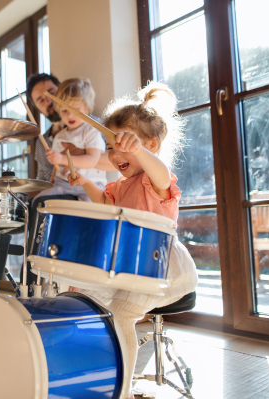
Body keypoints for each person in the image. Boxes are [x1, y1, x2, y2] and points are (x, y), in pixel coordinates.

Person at [67, 81, 198, 398]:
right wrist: (84, 181)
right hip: (132, 266)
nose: (113, 154)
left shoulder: (156, 180)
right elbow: (104, 203)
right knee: (80, 294)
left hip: (165, 270)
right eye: (109, 146)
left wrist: (137, 150)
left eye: (121, 144)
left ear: (151, 145)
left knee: (123, 313)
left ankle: (122, 390)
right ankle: (98, 370)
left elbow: (161, 172)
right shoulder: (120, 186)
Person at [34, 77, 107, 203]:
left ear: (87, 108)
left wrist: (62, 158)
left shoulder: (91, 131)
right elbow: (56, 166)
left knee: (90, 214)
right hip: (62, 184)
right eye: (64, 110)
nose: (69, 115)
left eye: (75, 110)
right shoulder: (59, 136)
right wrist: (52, 179)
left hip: (89, 185)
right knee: (39, 201)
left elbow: (92, 160)